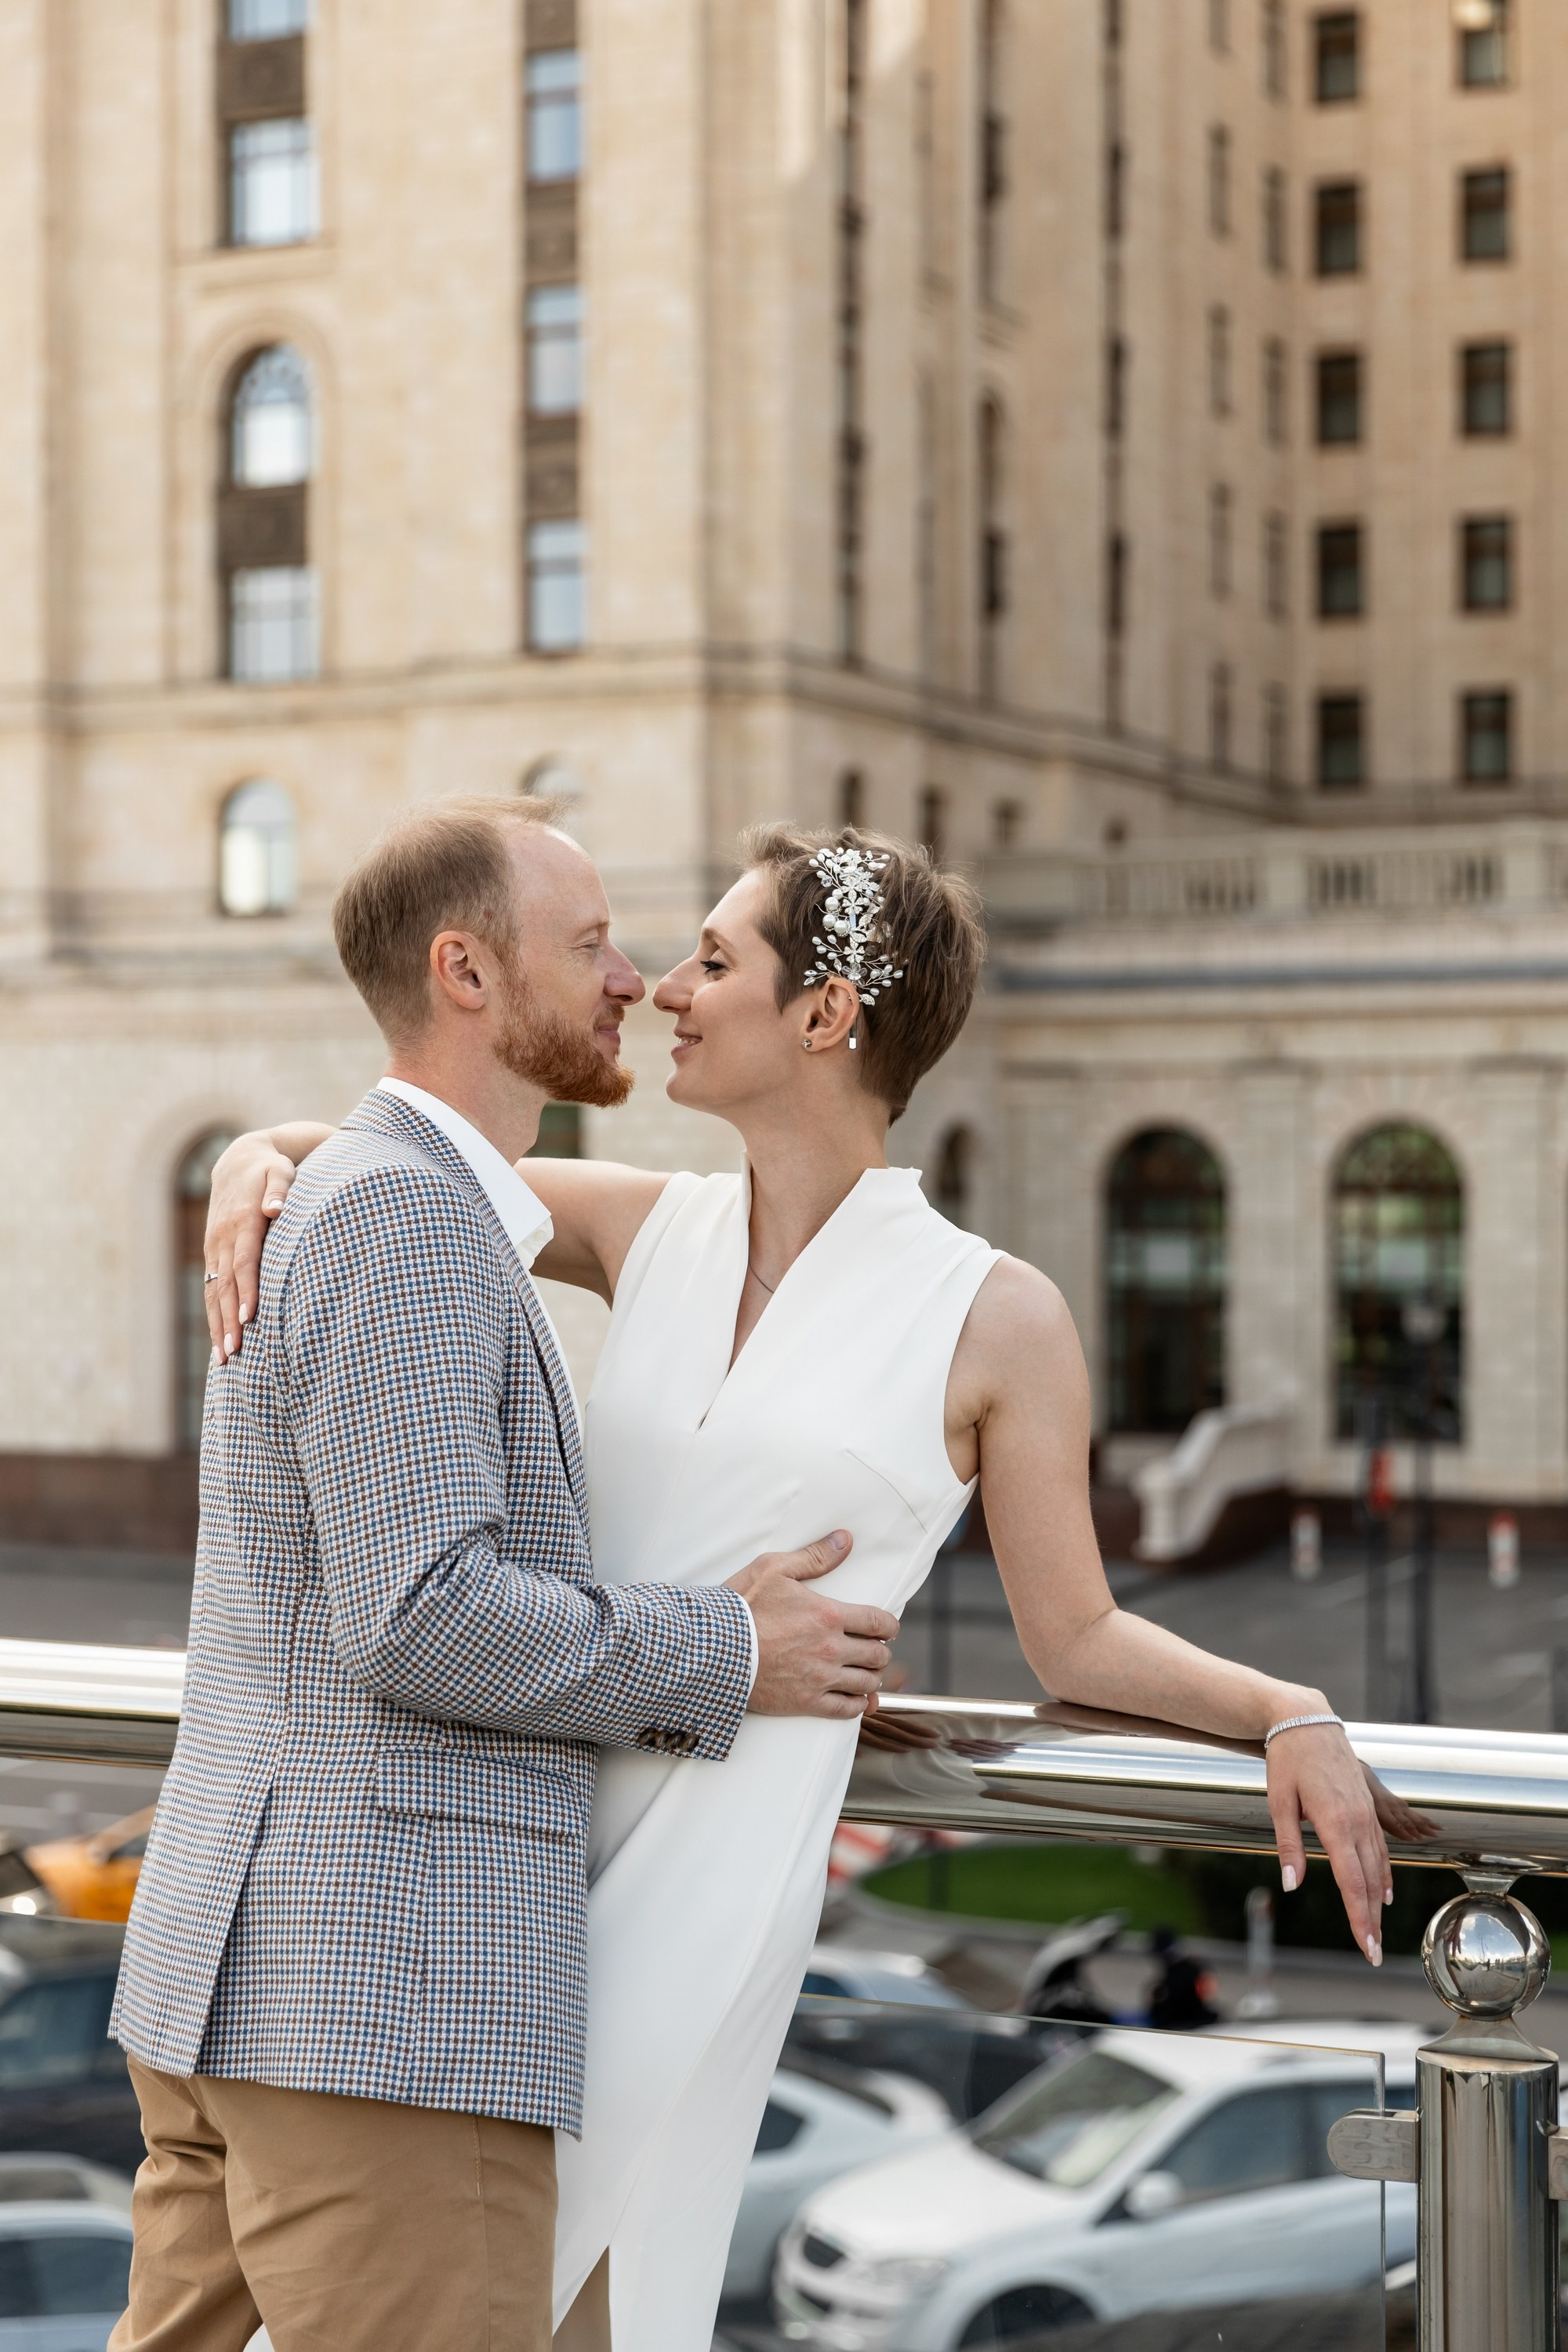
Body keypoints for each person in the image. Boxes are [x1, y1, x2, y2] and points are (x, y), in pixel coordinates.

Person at [203, 811, 1393, 2351]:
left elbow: (1077, 1634)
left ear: (826, 1015)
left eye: (710, 960)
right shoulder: (645, 1225)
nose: (660, 991)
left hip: (714, 1867)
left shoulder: (996, 1315)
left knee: (601, 2298)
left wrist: (1287, 1708)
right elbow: (381, 1149)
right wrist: (252, 1156)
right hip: (504, 1849)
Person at [109, 797, 902, 2352]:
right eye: (593, 944)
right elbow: (419, 1616)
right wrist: (727, 1650)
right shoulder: (407, 1219)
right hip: (381, 2013)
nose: (632, 980)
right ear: (464, 973)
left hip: (258, 1979)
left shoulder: (372, 1197)